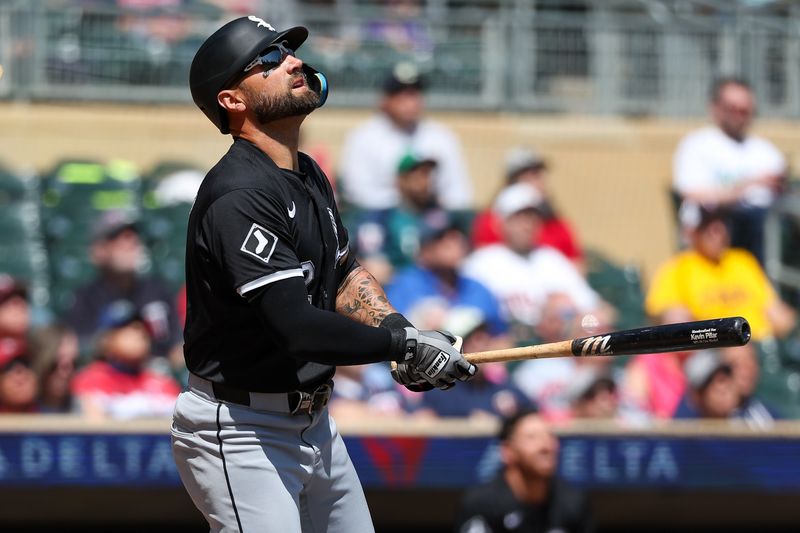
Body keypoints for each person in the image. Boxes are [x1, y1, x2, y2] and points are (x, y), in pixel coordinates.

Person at [174, 16, 476, 533]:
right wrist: (400, 348)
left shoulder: (306, 171)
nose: (292, 61)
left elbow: (340, 273)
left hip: (313, 422)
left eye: (288, 51)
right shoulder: (240, 193)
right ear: (232, 100)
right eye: (268, 59)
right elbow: (296, 326)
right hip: (242, 426)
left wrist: (399, 329)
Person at [463, 182, 608, 345]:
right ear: (501, 223)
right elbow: (466, 317)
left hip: (558, 350)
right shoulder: (481, 263)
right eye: (519, 217)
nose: (527, 224)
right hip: (508, 352)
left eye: (533, 217)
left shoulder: (552, 259)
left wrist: (572, 318)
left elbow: (599, 313)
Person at [672, 77, 787, 263]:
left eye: (745, 110)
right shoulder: (696, 145)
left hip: (764, 233)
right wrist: (749, 185)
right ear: (715, 108)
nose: (738, 115)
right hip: (715, 230)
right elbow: (692, 194)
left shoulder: (766, 151)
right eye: (732, 108)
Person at [645, 203, 796, 342]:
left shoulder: (742, 261)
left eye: (721, 222)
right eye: (708, 225)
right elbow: (671, 321)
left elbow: (775, 311)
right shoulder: (678, 269)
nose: (719, 231)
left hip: (759, 345)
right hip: (714, 349)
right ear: (691, 232)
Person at [338, 61, 473, 212]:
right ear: (385, 99)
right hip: (381, 221)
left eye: (414, 94)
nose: (409, 102)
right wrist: (407, 202)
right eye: (401, 94)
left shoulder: (441, 136)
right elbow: (357, 193)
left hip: (432, 220)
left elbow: (459, 194)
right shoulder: (363, 137)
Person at [65, 209, 182, 360]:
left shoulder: (158, 291)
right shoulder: (84, 299)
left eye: (132, 236)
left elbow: (178, 348)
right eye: (116, 237)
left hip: (156, 377)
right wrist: (115, 342)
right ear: (98, 250)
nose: (129, 242)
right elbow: (78, 350)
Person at [454, 408, 594, 533]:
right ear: (507, 451)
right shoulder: (482, 504)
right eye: (532, 437)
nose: (546, 446)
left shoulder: (572, 502)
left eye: (549, 436)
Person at [472, 147, 583, 266]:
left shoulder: (558, 225)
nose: (536, 182)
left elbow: (576, 267)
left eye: (538, 175)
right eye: (527, 176)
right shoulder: (490, 221)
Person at [71, 300, 181, 420]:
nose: (138, 331)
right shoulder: (88, 380)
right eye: (125, 326)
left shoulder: (163, 383)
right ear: (107, 339)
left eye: (141, 325)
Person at [673, 349, 740, 420]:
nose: (722, 387)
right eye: (710, 380)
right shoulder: (682, 424)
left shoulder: (750, 418)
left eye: (726, 375)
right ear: (696, 396)